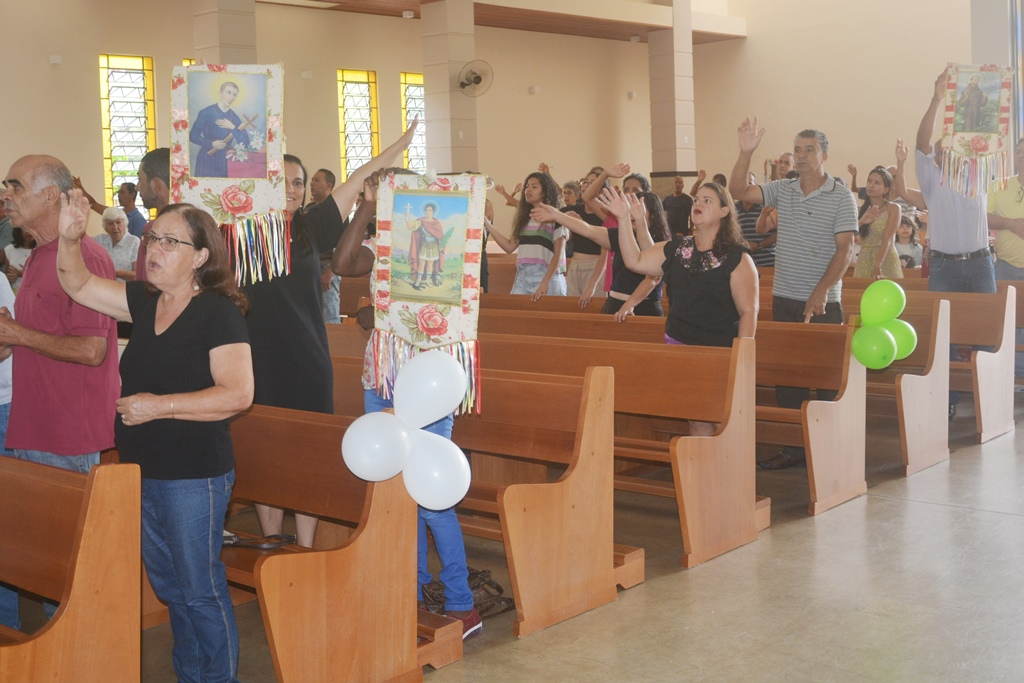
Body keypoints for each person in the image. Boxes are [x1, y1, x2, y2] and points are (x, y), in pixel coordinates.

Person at [57, 194, 253, 683]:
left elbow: (238, 394)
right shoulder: (144, 302)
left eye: (169, 241)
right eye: (152, 239)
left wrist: (159, 406)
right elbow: (77, 284)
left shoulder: (217, 313)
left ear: (200, 256)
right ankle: (192, 675)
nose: (154, 249)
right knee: (171, 588)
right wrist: (69, 238)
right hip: (141, 471)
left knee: (199, 588)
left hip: (194, 475)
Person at [331, 169, 482, 640]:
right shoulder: (381, 247)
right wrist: (366, 206)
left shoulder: (446, 244)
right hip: (383, 375)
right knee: (396, 494)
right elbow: (341, 262)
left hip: (430, 382)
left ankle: (461, 603)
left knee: (432, 498)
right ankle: (410, 591)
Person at [251, 126, 419, 548]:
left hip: (307, 357)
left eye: (298, 183)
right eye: (282, 181)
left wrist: (397, 148)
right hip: (257, 357)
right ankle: (273, 540)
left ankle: (306, 545)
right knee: (267, 452)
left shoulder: (310, 228)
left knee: (309, 453)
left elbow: (358, 180)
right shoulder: (241, 234)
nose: (291, 190)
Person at [0, 155, 120, 624]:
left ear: (51, 195)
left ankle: (81, 653)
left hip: (68, 433)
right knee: (44, 558)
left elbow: (92, 350)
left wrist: (19, 334)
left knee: (69, 568)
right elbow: (36, 338)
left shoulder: (84, 257)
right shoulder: (36, 256)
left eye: (15, 186)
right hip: (34, 425)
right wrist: (11, 337)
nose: (6, 195)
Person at [730, 119, 857, 469]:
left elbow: (845, 250)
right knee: (788, 379)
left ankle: (831, 451)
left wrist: (821, 291)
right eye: (797, 150)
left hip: (824, 303)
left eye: (809, 150)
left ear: (824, 155)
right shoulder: (782, 190)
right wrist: (745, 152)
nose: (801, 156)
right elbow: (739, 190)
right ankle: (794, 449)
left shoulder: (841, 196)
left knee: (827, 379)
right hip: (786, 297)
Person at [602, 182, 757, 435]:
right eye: (697, 199)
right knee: (695, 418)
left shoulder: (737, 257)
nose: (698, 203)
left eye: (707, 200)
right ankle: (701, 462)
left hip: (718, 351)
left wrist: (744, 359)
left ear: (724, 211)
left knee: (722, 421)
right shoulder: (678, 248)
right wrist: (622, 219)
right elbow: (635, 261)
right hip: (679, 345)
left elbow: (748, 311)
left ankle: (726, 462)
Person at [895, 69, 995, 419]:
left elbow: (984, 131)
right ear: (936, 159)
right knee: (944, 337)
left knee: (985, 333)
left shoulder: (977, 173)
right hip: (944, 266)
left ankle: (987, 399)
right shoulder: (932, 179)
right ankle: (948, 399)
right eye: (940, 150)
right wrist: (937, 99)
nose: (944, 153)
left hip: (981, 264)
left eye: (952, 148)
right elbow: (922, 141)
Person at [488, 171, 568, 300]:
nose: (528, 190)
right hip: (523, 275)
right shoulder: (524, 218)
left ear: (544, 192)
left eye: (534, 187)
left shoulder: (556, 218)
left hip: (547, 276)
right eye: (527, 186)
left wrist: (545, 283)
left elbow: (558, 254)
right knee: (515, 310)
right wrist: (487, 224)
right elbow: (509, 247)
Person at [986, 138, 1024, 379]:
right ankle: (1011, 375)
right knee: (1007, 322)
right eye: (1019, 152)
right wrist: (1010, 224)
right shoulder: (998, 185)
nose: (1022, 156)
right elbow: (984, 217)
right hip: (1006, 268)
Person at [190, 82, 252, 178]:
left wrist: (232, 127)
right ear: (220, 92)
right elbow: (193, 136)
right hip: (206, 159)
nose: (231, 97)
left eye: (234, 95)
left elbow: (246, 142)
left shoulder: (234, 117)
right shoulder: (206, 112)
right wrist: (211, 144)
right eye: (228, 92)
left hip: (224, 161)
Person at [853, 166, 902, 280]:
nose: (871, 185)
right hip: (864, 258)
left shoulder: (893, 208)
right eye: (869, 181)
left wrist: (878, 264)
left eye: (877, 183)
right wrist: (861, 222)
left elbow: (887, 239)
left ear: (886, 189)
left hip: (886, 258)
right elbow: (850, 235)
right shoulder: (861, 210)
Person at [309, 169, 342, 324]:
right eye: (312, 180)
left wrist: (331, 271)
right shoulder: (310, 209)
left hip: (328, 265)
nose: (311, 183)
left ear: (328, 186)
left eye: (317, 180)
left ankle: (333, 341)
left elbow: (342, 244)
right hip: (312, 265)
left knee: (329, 312)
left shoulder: (338, 210)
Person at [134, 148, 172, 282]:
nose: (137, 187)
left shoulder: (151, 230)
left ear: (156, 186)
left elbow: (143, 285)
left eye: (140, 180)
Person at [73, 179, 148, 238]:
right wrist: (80, 189)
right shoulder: (116, 213)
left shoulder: (138, 220)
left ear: (132, 195)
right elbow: (93, 204)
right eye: (118, 192)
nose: (118, 195)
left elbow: (138, 247)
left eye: (122, 192)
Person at [735, 171, 775, 267]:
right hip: (742, 263)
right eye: (742, 184)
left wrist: (759, 245)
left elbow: (778, 233)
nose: (746, 187)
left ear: (756, 186)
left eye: (749, 183)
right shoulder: (732, 209)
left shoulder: (767, 207)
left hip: (767, 262)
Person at [405, 200, 446, 290]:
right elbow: (410, 227)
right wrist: (407, 217)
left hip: (434, 246)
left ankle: (427, 280)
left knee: (430, 264)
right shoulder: (421, 221)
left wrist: (442, 245)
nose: (428, 212)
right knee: (422, 263)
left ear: (433, 211)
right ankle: (419, 280)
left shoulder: (436, 223)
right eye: (426, 210)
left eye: (430, 210)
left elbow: (440, 236)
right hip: (424, 246)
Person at [95, 206, 141, 281]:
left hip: (125, 287)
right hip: (103, 285)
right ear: (105, 228)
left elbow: (137, 274)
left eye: (118, 222)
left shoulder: (134, 242)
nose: (115, 227)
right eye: (110, 224)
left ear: (125, 224)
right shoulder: (100, 240)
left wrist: (114, 272)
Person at [4, 227, 35, 292]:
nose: (29, 232)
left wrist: (26, 274)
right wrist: (9, 278)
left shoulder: (42, 250)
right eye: (26, 228)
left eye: (32, 227)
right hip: (15, 293)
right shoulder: (9, 249)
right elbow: (6, 273)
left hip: (35, 293)